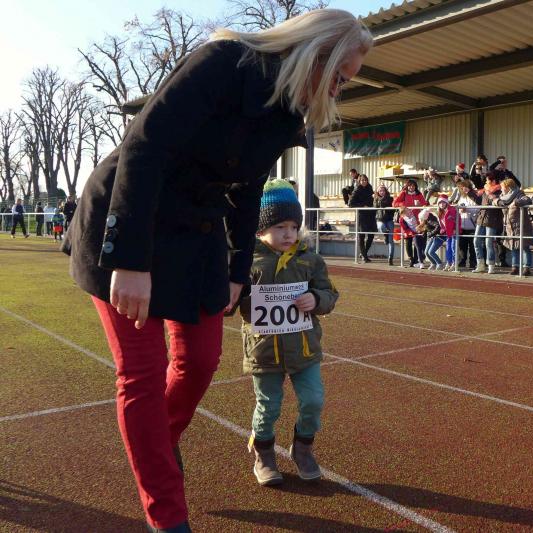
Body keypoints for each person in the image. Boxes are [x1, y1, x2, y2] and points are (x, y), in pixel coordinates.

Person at [61, 10, 371, 532]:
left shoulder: (288, 111)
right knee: (140, 374)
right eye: (340, 77)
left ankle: (160, 443)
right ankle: (168, 516)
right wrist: (130, 260)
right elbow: (144, 147)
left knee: (201, 361)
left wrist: (236, 270)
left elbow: (248, 191)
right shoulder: (223, 63)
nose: (340, 91)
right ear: (316, 55)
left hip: (197, 231)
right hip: (130, 216)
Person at [238, 179, 338, 486]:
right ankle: (264, 454)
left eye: (294, 226)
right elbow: (233, 300)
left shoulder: (310, 259)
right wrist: (245, 299)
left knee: (313, 401)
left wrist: (316, 299)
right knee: (268, 406)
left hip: (304, 348)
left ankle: (303, 448)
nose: (288, 234)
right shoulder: (247, 261)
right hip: (264, 350)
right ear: (260, 229)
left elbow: (329, 293)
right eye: (280, 226)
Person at [495, 178, 533, 276]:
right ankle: (515, 267)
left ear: (508, 187)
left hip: (521, 225)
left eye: (502, 187)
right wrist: (498, 202)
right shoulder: (502, 197)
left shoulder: (519, 194)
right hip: (509, 226)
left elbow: (527, 200)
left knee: (524, 247)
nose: (501, 189)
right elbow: (493, 201)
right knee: (513, 247)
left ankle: (527, 268)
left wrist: (516, 202)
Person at [473, 171, 503, 274]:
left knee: (488, 243)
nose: (486, 182)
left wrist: (492, 197)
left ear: (493, 181)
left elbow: (499, 204)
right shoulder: (484, 190)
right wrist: (469, 192)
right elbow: (478, 201)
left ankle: (491, 265)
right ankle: (480, 264)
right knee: (476, 241)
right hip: (481, 219)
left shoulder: (499, 191)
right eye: (486, 180)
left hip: (492, 220)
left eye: (488, 180)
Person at [392, 178, 426, 264]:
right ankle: (411, 258)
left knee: (417, 240)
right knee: (408, 239)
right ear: (407, 186)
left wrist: (420, 205)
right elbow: (394, 204)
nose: (411, 187)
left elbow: (425, 204)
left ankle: (416, 259)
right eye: (410, 186)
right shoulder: (403, 193)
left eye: (413, 186)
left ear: (416, 187)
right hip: (406, 220)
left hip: (416, 220)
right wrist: (403, 204)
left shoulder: (419, 194)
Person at [347, 174, 377, 262]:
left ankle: (364, 253)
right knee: (362, 236)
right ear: (359, 181)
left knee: (371, 235)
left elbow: (373, 200)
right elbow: (350, 204)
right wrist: (362, 205)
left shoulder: (370, 188)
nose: (364, 182)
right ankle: (365, 256)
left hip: (371, 215)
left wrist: (375, 198)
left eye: (365, 180)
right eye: (362, 180)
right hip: (362, 215)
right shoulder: (357, 190)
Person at [454, 179, 478, 269]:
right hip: (462, 225)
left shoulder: (474, 196)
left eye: (464, 187)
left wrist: (467, 209)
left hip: (472, 225)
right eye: (461, 188)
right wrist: (460, 210)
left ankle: (472, 262)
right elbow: (457, 209)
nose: (462, 189)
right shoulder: (461, 198)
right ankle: (463, 261)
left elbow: (478, 209)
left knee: (472, 246)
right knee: (462, 245)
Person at [374, 184, 395, 265]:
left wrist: (381, 201)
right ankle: (385, 235)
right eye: (380, 191)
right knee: (381, 227)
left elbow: (389, 207)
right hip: (380, 219)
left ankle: (390, 258)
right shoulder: (376, 199)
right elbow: (375, 207)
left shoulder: (390, 198)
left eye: (383, 190)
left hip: (389, 219)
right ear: (378, 192)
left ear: (386, 191)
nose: (382, 192)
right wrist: (377, 199)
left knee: (391, 240)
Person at [436, 194, 458, 270]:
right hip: (448, 233)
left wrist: (455, 229)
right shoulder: (440, 212)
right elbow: (442, 224)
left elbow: (457, 220)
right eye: (440, 203)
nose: (442, 204)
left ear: (446, 203)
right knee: (448, 248)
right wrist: (443, 229)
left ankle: (454, 263)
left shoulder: (452, 210)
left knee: (453, 247)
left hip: (454, 233)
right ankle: (449, 263)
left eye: (443, 202)